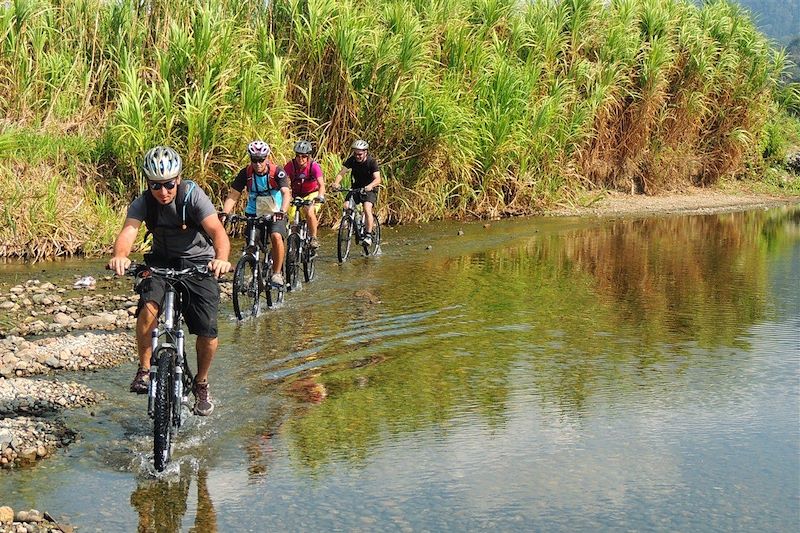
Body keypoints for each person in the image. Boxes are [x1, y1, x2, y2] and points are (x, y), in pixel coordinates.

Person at [108, 146, 231, 416]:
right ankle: (144, 370)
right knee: (147, 309)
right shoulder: (144, 202)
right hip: (160, 262)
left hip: (199, 264)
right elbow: (128, 231)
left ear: (178, 179)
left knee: (207, 331)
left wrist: (220, 259)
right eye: (155, 186)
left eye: (168, 185)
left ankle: (201, 383)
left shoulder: (192, 196)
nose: (163, 192)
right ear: (147, 183)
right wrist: (120, 256)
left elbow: (217, 232)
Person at [220, 140, 291, 286]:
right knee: (251, 244)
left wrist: (283, 211)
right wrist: (225, 213)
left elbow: (286, 193)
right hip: (254, 212)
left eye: (261, 160)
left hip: (275, 212)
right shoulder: (245, 173)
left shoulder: (277, 172)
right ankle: (255, 275)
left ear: (267, 158)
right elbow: (233, 195)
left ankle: (277, 273)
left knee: (276, 236)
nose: (258, 164)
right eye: (254, 160)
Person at [330, 139, 381, 245]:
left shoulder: (372, 162)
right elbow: (341, 173)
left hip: (369, 189)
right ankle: (355, 223)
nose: (357, 156)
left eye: (360, 154)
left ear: (365, 152)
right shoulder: (352, 160)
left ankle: (368, 234)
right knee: (346, 206)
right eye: (355, 154)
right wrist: (336, 183)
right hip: (356, 188)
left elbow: (378, 179)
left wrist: (370, 186)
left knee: (367, 209)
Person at [284, 140, 325, 249]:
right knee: (291, 218)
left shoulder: (314, 166)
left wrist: (320, 196)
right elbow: (282, 182)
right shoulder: (290, 166)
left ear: (308, 157)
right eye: (298, 156)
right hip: (296, 194)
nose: (300, 159)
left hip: (312, 193)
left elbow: (321, 184)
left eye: (303, 156)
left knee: (309, 211)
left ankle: (313, 237)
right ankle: (293, 243)